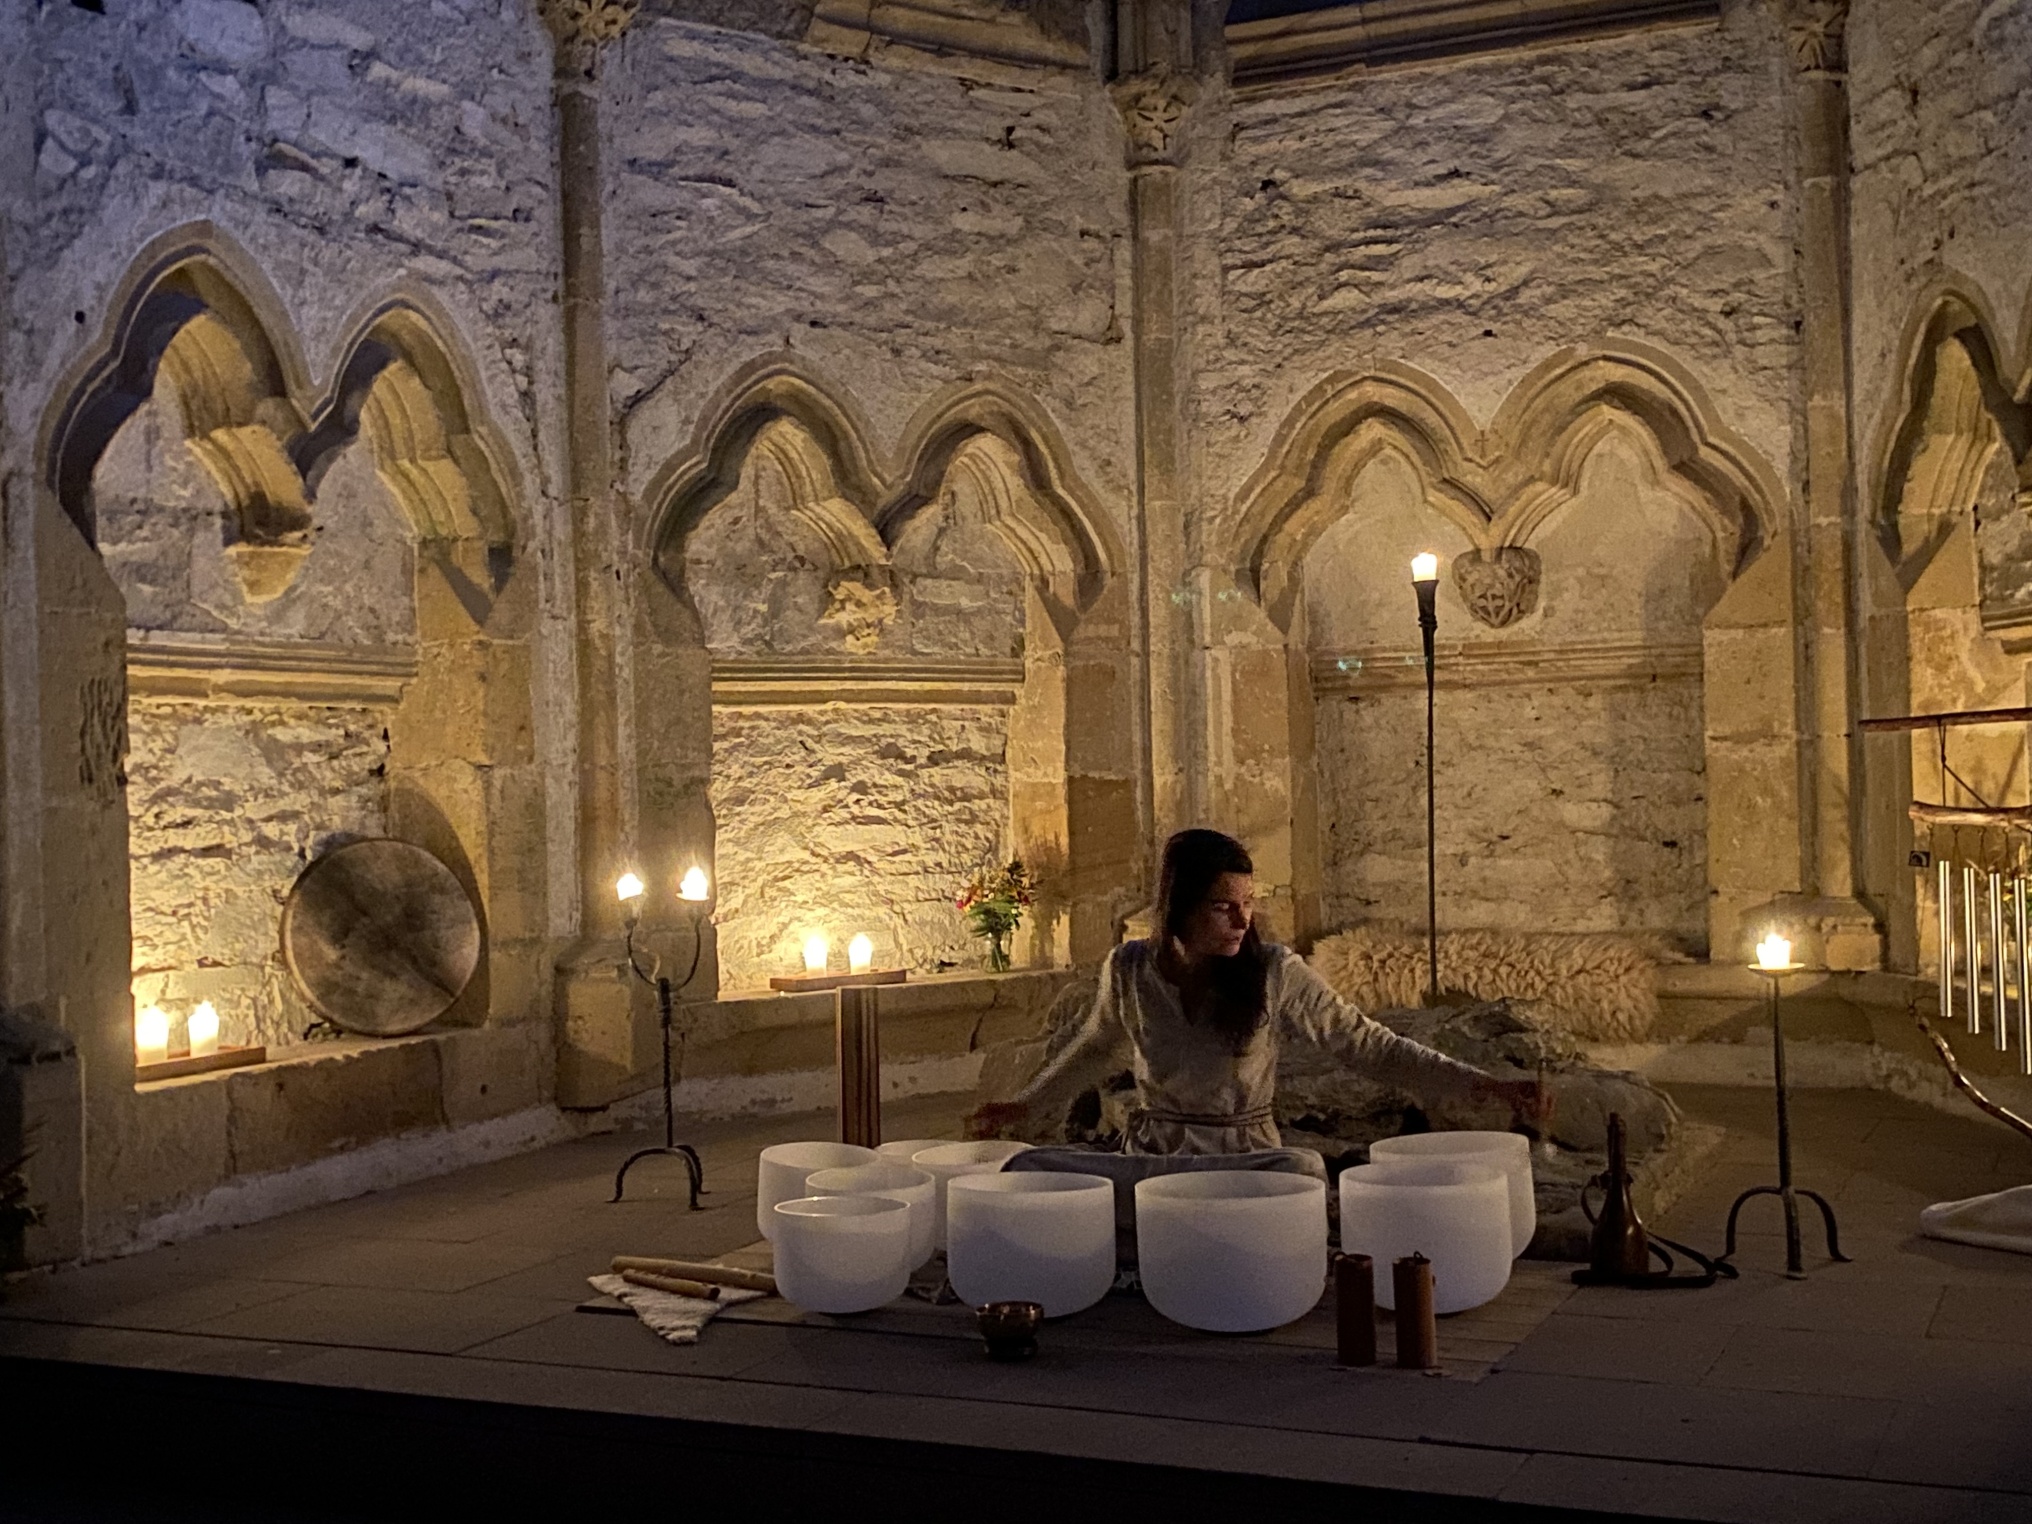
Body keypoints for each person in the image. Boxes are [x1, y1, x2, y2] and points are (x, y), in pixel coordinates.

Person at [967, 828, 1546, 1153]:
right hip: (1155, 1159)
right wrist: (1024, 1103)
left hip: (1243, 1160)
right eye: (1224, 906)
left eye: (1249, 904)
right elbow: (1095, 1048)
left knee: (1304, 1176)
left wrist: (1488, 1086)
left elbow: (1368, 1045)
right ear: (1179, 906)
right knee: (1034, 1175)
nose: (1243, 921)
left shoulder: (1273, 971)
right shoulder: (1130, 969)